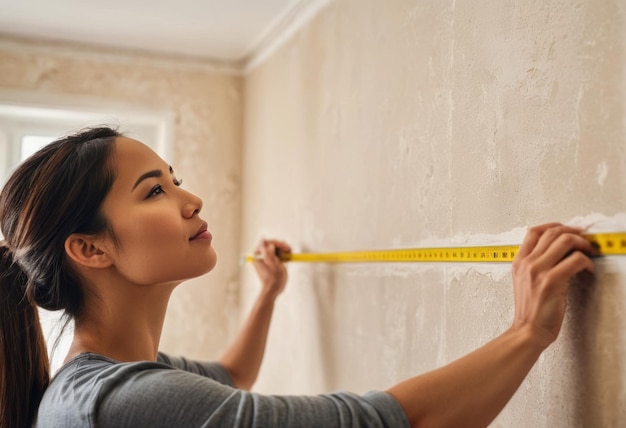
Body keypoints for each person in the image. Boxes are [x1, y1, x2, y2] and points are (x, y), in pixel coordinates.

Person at [0, 126, 596, 428]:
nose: (192, 199)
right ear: (89, 248)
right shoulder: (122, 400)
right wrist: (526, 332)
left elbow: (232, 376)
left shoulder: (113, 379)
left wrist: (269, 293)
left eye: (174, 178)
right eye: (155, 190)